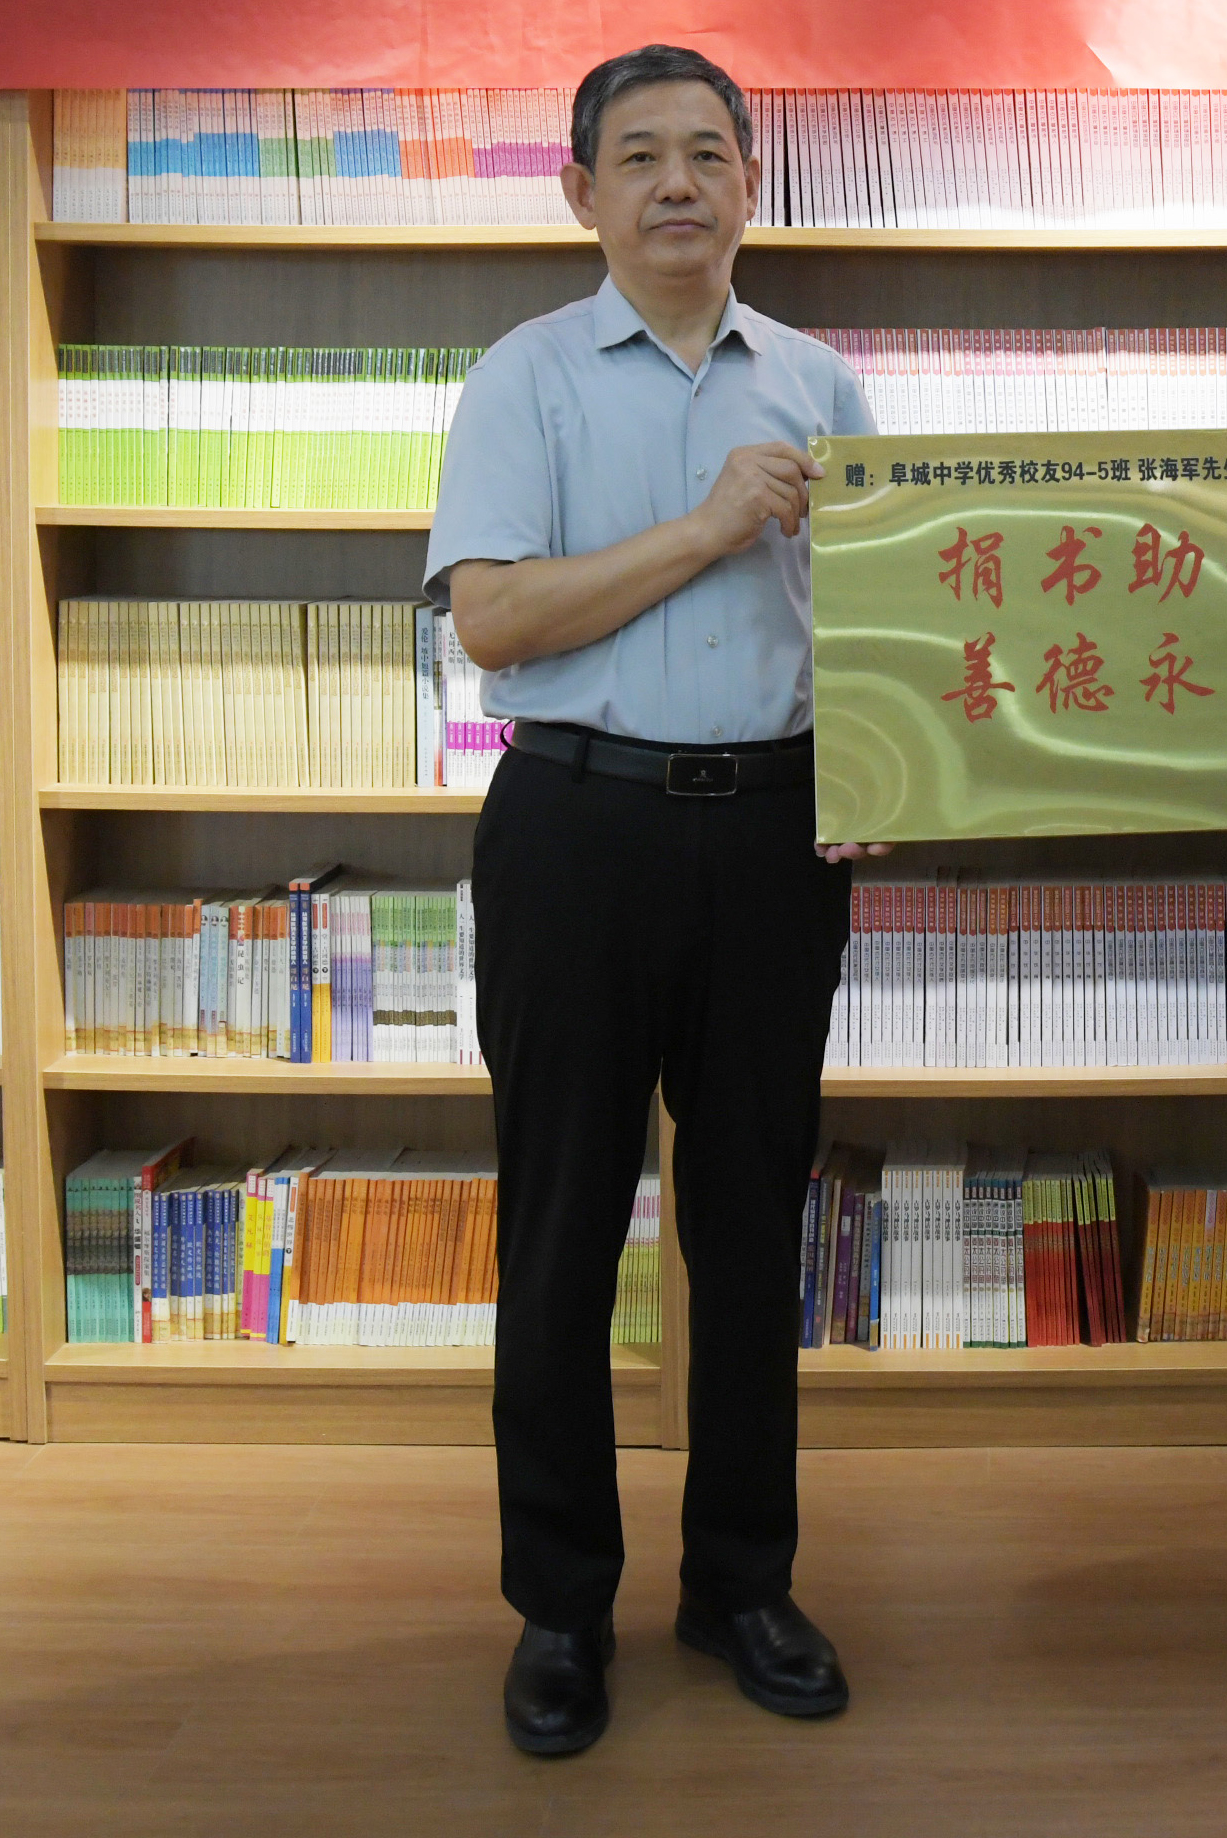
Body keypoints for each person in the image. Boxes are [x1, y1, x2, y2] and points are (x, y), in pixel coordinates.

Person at [426, 44, 887, 1757]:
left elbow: (885, 624)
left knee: (754, 1225)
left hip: (775, 843)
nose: (678, 182)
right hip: (577, 828)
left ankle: (741, 1580)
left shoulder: (823, 383)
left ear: (751, 183)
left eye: (708, 152)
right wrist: (703, 530)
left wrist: (890, 770)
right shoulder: (525, 377)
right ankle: (559, 1605)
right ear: (582, 193)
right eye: (640, 156)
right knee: (559, 1226)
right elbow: (493, 619)